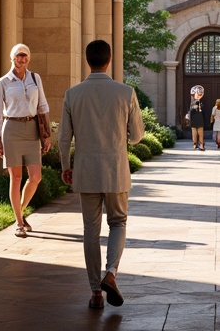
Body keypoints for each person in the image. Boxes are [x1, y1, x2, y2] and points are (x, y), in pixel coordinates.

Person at [59, 39, 145, 311]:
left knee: (90, 231)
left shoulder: (73, 94)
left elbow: (63, 139)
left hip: (85, 170)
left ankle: (96, 292)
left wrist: (65, 166)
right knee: (118, 223)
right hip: (116, 168)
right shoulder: (125, 92)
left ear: (88, 60)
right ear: (108, 60)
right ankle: (111, 272)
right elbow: (137, 136)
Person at [0, 43, 50, 238]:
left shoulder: (35, 78)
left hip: (32, 129)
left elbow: (42, 106)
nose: (21, 59)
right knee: (15, 178)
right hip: (12, 130)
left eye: (25, 56)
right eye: (18, 56)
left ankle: (20, 211)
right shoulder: (3, 82)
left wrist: (46, 135)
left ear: (28, 58)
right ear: (12, 58)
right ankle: (18, 223)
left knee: (35, 177)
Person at [187, 86, 206, 150]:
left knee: (200, 134)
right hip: (194, 121)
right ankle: (195, 144)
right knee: (194, 134)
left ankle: (201, 144)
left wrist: (200, 106)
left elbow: (204, 112)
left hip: (200, 121)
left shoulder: (201, 103)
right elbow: (190, 112)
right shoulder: (191, 104)